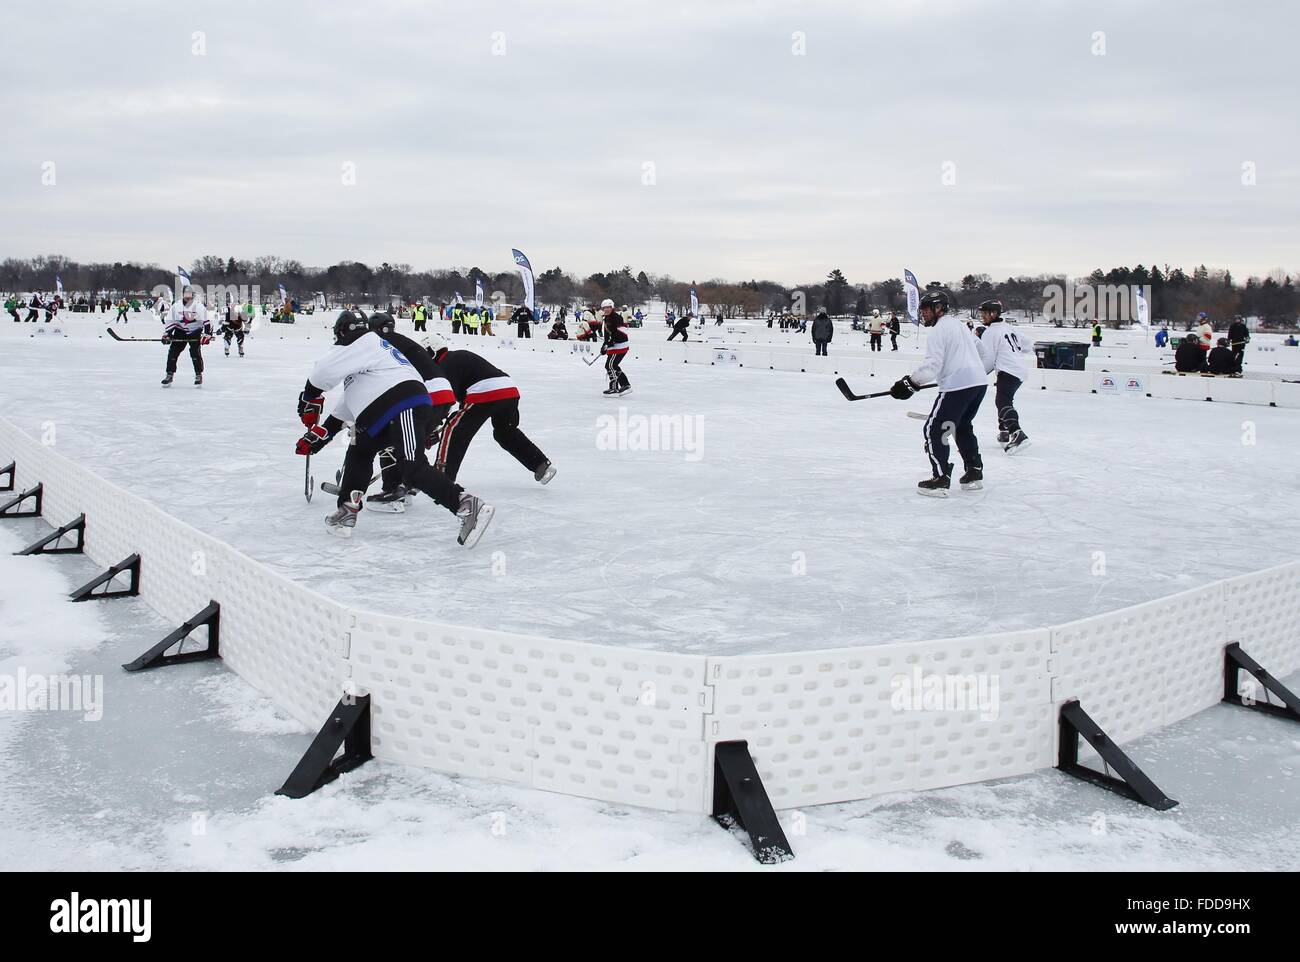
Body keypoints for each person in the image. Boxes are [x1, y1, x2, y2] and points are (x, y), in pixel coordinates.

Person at [294, 311, 493, 545]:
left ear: (343, 331)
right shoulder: (367, 357)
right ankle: (347, 509)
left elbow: (321, 374)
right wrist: (321, 436)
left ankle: (466, 505)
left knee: (412, 466)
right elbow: (346, 406)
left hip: (401, 404)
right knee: (359, 449)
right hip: (382, 410)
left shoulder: (363, 339)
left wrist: (309, 397)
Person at [414, 333, 556, 487]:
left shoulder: (444, 365)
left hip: (485, 392)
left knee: (454, 428)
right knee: (505, 432)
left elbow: (444, 401)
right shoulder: (457, 357)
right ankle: (541, 464)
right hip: (509, 390)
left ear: (431, 351)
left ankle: (441, 480)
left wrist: (430, 428)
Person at [890, 290, 987, 497]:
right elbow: (982, 351)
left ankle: (941, 478)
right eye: (922, 309)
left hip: (957, 386)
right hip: (979, 384)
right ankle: (974, 472)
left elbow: (933, 364)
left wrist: (910, 383)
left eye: (926, 309)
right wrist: (970, 370)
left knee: (934, 430)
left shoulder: (938, 330)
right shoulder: (960, 326)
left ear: (939, 308)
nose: (923, 313)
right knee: (962, 426)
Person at [976, 299, 1030, 453]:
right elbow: (1027, 344)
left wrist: (976, 375)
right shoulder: (1008, 327)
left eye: (985, 313)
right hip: (1019, 370)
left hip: (1009, 370)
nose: (983, 316)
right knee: (1003, 400)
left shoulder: (990, 332)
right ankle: (1004, 433)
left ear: (994, 313)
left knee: (1002, 401)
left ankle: (1017, 433)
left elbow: (988, 359)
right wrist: (1013, 353)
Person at [160, 286, 211, 386]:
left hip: (195, 331)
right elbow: (171, 321)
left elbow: (207, 322)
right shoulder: (176, 306)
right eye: (186, 294)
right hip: (180, 330)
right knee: (173, 353)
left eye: (190, 294)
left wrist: (207, 334)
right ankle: (169, 374)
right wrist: (167, 334)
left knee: (195, 353)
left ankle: (198, 374)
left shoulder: (199, 306)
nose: (188, 297)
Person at [599, 298, 631, 396]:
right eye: (605, 308)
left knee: (610, 365)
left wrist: (612, 341)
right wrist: (605, 344)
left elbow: (622, 332)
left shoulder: (616, 317)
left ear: (612, 308)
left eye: (609, 307)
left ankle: (614, 388)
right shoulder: (607, 318)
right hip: (615, 345)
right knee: (612, 365)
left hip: (620, 345)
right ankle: (625, 385)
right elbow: (607, 334)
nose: (607, 309)